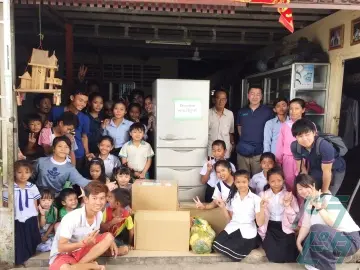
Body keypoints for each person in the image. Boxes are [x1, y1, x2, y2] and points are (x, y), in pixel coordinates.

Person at [295, 174, 360, 270]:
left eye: (306, 187)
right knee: (310, 234)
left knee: (317, 229)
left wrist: (320, 208)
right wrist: (298, 242)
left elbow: (334, 224)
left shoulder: (329, 199)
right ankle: (315, 263)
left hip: (349, 240)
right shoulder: (308, 203)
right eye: (300, 189)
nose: (303, 191)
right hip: (333, 238)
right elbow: (305, 225)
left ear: (313, 185)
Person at [49, 182, 116, 270]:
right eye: (94, 198)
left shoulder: (99, 214)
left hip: (82, 253)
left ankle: (79, 266)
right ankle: (89, 266)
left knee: (109, 237)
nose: (99, 202)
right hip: (64, 254)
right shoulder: (72, 218)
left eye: (102, 198)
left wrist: (111, 241)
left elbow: (92, 237)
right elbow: (61, 247)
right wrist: (82, 243)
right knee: (65, 268)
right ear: (86, 199)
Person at [35, 136, 116, 195]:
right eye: (60, 146)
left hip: (55, 198)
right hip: (36, 195)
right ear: (53, 148)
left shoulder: (70, 168)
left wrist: (104, 185)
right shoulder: (41, 161)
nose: (63, 149)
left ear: (69, 150)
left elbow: (84, 182)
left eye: (66, 147)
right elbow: (29, 176)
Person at [212, 169, 264, 262]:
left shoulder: (256, 199)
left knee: (236, 253)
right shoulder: (232, 198)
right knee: (216, 244)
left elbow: (260, 223)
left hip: (248, 230)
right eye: (238, 182)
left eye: (244, 182)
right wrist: (223, 207)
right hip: (233, 227)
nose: (241, 184)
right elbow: (229, 219)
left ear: (249, 181)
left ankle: (252, 243)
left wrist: (262, 208)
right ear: (234, 183)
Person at [290, 118, 346, 194]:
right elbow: (302, 168)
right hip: (316, 167)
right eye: (300, 136)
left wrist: (324, 192)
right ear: (295, 137)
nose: (305, 139)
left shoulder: (324, 146)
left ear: (314, 133)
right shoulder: (295, 146)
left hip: (334, 169)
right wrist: (306, 184)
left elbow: (327, 172)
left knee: (328, 195)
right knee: (312, 191)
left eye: (307, 134)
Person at [3, 160, 41, 265]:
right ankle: (19, 260)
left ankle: (28, 256)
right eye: (19, 172)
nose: (23, 175)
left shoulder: (32, 187)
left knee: (31, 240)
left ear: (31, 173)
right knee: (19, 242)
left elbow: (35, 204)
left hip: (30, 217)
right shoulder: (8, 187)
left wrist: (37, 219)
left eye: (27, 172)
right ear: (14, 172)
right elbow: (5, 204)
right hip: (16, 218)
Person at [257, 167, 299, 263]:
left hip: (285, 226)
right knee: (274, 256)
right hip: (269, 227)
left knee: (291, 255)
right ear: (268, 181)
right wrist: (263, 207)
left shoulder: (289, 195)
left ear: (284, 180)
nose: (276, 184)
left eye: (279, 180)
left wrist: (287, 206)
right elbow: (259, 218)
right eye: (272, 181)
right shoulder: (263, 195)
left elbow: (295, 220)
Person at [50, 85, 91, 173]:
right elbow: (49, 127)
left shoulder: (85, 118)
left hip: (77, 154)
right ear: (72, 98)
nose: (83, 104)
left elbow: (84, 137)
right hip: (57, 152)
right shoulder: (56, 111)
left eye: (85, 102)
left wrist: (87, 153)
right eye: (80, 100)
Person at [236, 87, 273, 176]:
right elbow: (239, 128)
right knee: (243, 178)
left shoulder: (268, 111)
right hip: (243, 153)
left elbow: (271, 130)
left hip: (259, 153)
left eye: (258, 94)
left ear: (261, 96)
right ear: (248, 95)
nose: (255, 97)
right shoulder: (242, 111)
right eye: (252, 94)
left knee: (259, 180)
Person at [276, 98, 306, 192]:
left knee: (303, 184)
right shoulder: (285, 126)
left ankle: (302, 206)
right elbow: (280, 145)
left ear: (303, 110)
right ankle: (290, 205)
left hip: (304, 160)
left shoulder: (309, 125)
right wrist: (278, 161)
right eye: (291, 109)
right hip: (288, 159)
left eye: (297, 108)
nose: (293, 111)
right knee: (289, 185)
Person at [101, 188, 134, 256]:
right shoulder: (106, 211)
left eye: (110, 197)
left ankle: (104, 251)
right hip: (103, 237)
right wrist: (112, 222)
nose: (108, 199)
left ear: (117, 203)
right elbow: (101, 229)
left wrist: (129, 244)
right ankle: (105, 251)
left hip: (114, 240)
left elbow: (131, 231)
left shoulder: (127, 216)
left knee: (125, 248)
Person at [208, 89, 235, 159]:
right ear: (213, 100)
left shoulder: (230, 114)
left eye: (223, 99)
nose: (221, 101)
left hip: (224, 153)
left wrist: (232, 144)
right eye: (218, 98)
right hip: (211, 152)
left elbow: (231, 132)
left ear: (226, 101)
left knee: (224, 169)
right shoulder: (207, 113)